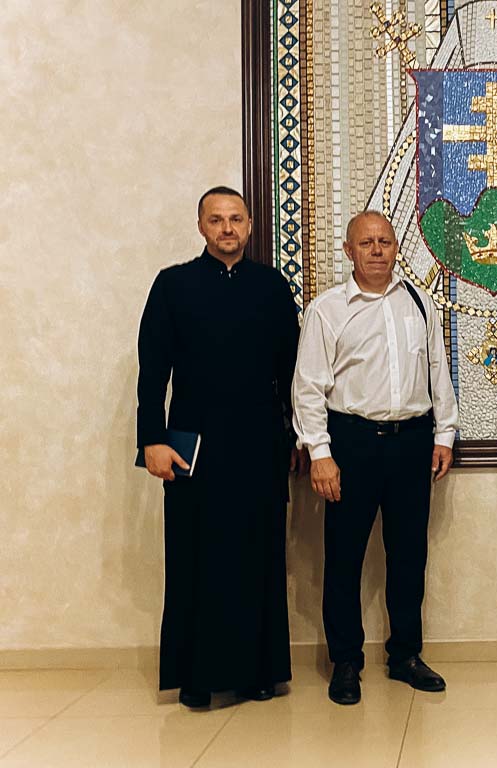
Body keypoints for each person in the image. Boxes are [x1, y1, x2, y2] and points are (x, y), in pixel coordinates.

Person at [137, 186, 302, 708]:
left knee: (258, 555)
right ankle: (198, 675)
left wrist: (295, 436)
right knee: (196, 557)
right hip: (193, 442)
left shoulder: (272, 287)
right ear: (201, 227)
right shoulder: (173, 285)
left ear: (250, 226)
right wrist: (152, 440)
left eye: (235, 219)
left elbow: (292, 372)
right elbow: (152, 372)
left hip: (259, 441)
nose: (227, 228)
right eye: (216, 219)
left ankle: (259, 672)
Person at [292, 210, 458, 705]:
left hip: (412, 443)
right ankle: (346, 661)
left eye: (385, 241)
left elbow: (437, 370)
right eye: (366, 243)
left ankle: (405, 654)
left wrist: (445, 434)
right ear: (349, 251)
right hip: (352, 443)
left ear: (395, 247)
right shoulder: (327, 310)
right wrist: (320, 453)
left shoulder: (419, 303)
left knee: (408, 555)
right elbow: (308, 388)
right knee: (345, 556)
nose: (377, 250)